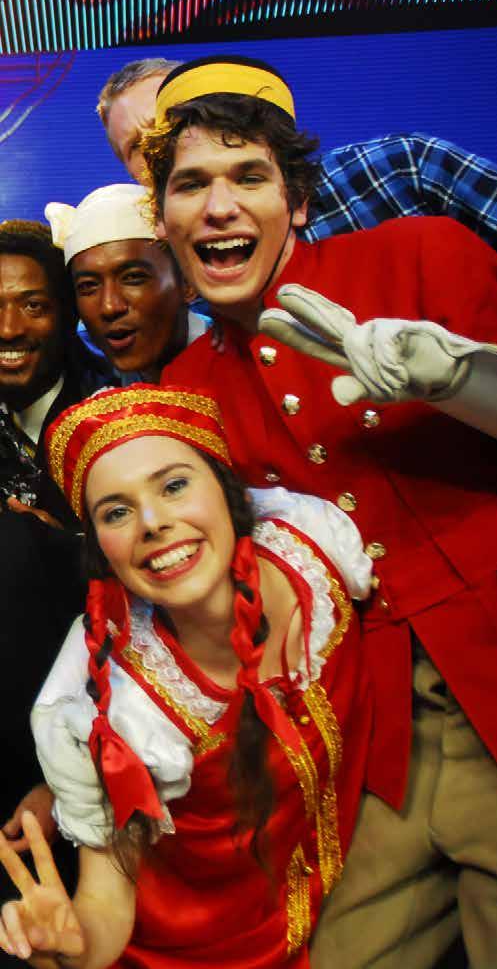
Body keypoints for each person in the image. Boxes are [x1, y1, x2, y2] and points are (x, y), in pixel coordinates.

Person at [141, 57, 497, 968]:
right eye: (191, 184)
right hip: (367, 749)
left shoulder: (420, 254)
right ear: (164, 218)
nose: (219, 206)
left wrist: (469, 380)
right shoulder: (184, 389)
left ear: (299, 201)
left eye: (249, 176)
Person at [0, 383, 373, 968]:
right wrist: (68, 944)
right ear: (101, 550)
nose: (152, 522)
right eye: (117, 512)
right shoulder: (119, 708)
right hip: (201, 955)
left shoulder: (314, 551)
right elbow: (105, 904)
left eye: (174, 485)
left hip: (362, 899)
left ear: (227, 490)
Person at [97, 57, 497, 255]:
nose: (160, 146)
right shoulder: (175, 278)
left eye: (171, 120)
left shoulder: (401, 167)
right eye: (137, 146)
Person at [0, 221, 93, 912]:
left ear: (65, 312)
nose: (8, 328)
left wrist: (68, 544)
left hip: (100, 697)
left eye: (32, 305)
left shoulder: (114, 402)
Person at [45, 184, 207, 382]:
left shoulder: (235, 372)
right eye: (88, 286)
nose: (110, 307)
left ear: (187, 282)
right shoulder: (97, 385)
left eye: (133, 278)